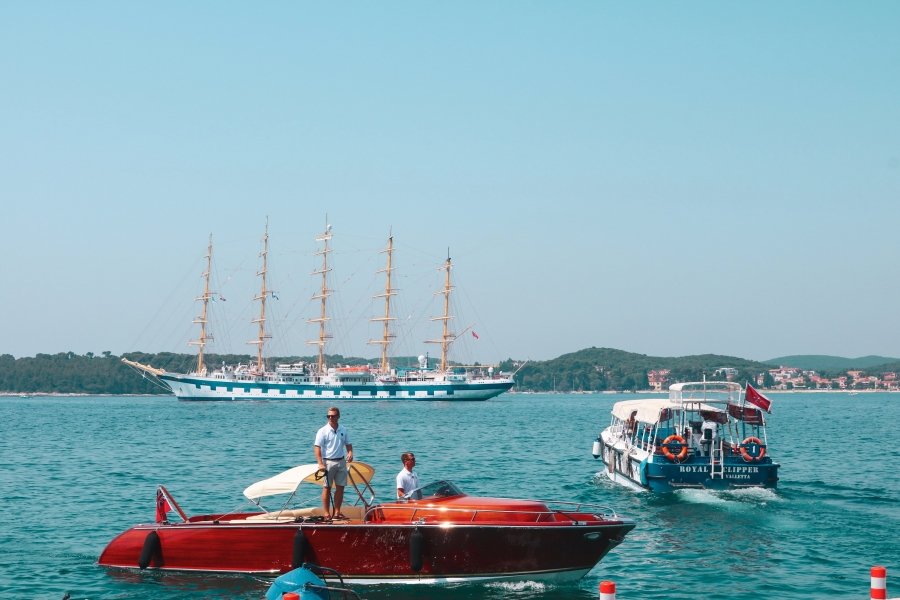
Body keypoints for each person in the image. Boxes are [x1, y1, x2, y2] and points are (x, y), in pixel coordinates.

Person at [314, 407, 353, 519]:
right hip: (328, 462)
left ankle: (337, 512)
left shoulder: (343, 429)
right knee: (327, 487)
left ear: (338, 416)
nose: (330, 418)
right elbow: (317, 448)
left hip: (341, 461)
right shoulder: (322, 431)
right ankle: (326, 513)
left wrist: (350, 452)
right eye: (328, 416)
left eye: (333, 416)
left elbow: (348, 444)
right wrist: (320, 463)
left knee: (341, 487)